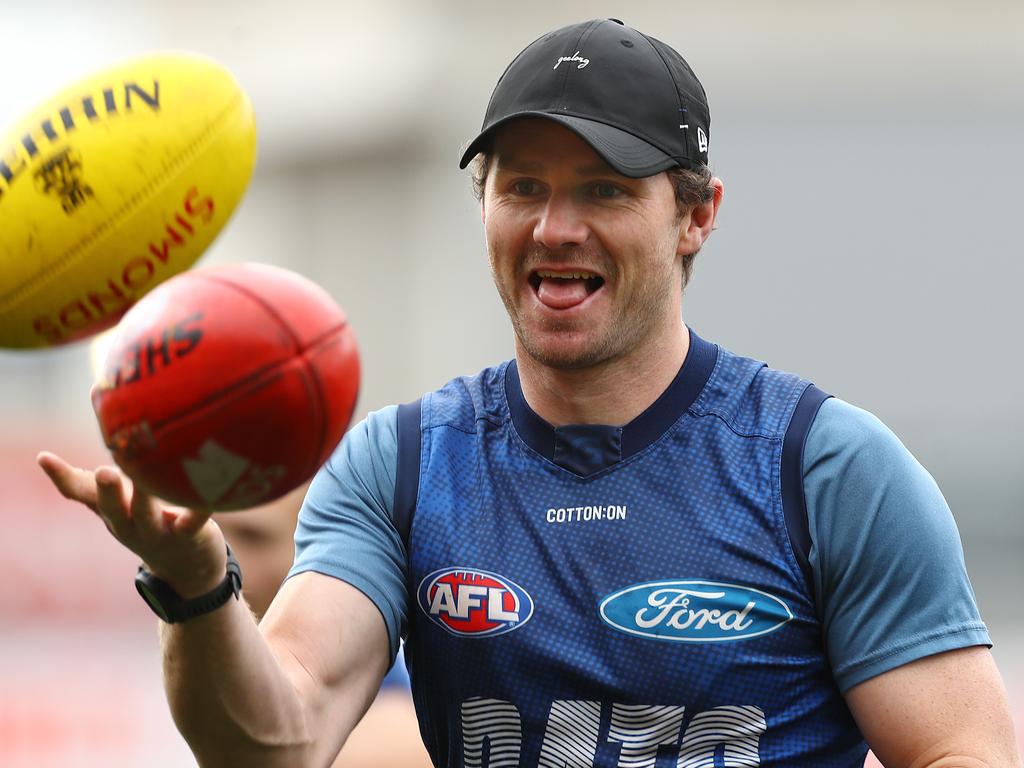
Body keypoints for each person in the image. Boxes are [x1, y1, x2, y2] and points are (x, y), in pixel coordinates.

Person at [38, 18, 1021, 768]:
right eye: (520, 187)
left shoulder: (823, 465)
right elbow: (275, 739)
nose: (555, 226)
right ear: (484, 205)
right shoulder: (403, 465)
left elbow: (963, 751)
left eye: (603, 189)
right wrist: (195, 587)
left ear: (696, 216)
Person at [212, 484, 433, 768]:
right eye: (214, 530)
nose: (219, 559)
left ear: (326, 553)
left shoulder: (393, 733)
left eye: (253, 538)